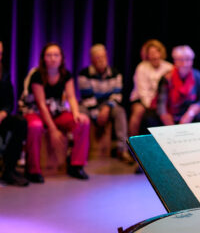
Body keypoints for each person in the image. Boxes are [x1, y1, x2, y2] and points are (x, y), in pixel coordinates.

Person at [19, 43, 90, 181]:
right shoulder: (37, 75)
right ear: (43, 58)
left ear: (61, 58)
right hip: (35, 111)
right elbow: (41, 105)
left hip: (55, 111)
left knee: (83, 122)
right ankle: (33, 170)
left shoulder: (65, 74)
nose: (52, 58)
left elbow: (71, 97)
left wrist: (76, 114)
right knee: (35, 126)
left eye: (56, 55)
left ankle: (76, 165)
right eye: (49, 55)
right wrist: (52, 130)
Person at [78, 44, 130, 163]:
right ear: (92, 60)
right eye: (97, 57)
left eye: (103, 57)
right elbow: (87, 98)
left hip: (108, 105)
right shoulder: (84, 74)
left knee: (120, 112)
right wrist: (97, 116)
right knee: (81, 114)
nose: (101, 60)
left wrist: (106, 108)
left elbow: (117, 95)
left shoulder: (115, 73)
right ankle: (79, 151)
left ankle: (122, 150)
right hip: (89, 105)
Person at [149, 45, 200, 126]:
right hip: (170, 114)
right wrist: (172, 128)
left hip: (188, 114)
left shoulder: (198, 76)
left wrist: (190, 113)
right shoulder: (167, 78)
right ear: (175, 61)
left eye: (188, 60)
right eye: (180, 60)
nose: (184, 64)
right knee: (150, 120)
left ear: (192, 61)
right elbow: (161, 106)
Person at [128, 39, 173, 135]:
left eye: (157, 52)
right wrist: (154, 107)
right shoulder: (142, 67)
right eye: (151, 53)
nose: (154, 55)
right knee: (138, 112)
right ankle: (132, 144)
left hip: (162, 100)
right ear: (147, 55)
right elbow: (143, 92)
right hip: (142, 100)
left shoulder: (169, 67)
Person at [1, 40, 29, 186]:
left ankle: (10, 169)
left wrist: (4, 112)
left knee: (19, 122)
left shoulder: (3, 74)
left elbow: (9, 101)